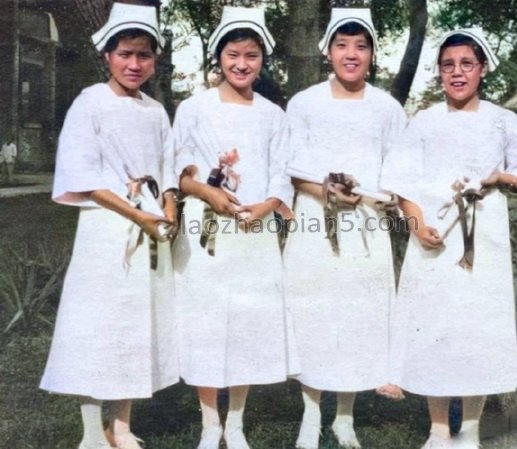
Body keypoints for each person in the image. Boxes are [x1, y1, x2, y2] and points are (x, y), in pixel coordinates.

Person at [380, 28, 517, 449]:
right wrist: (417, 224)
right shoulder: (423, 122)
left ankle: (469, 428)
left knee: (477, 327)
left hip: (482, 237)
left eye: (466, 64)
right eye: (448, 65)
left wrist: (500, 177)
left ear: (482, 69)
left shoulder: (502, 121)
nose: (457, 73)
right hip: (434, 238)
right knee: (434, 325)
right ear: (439, 73)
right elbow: (402, 181)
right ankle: (438, 428)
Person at [39, 4, 179, 449]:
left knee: (136, 325)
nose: (134, 64)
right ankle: (89, 430)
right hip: (108, 226)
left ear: (154, 58)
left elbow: (168, 166)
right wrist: (136, 213)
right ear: (107, 55)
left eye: (143, 55)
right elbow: (84, 175)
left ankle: (121, 423)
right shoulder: (90, 103)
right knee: (98, 322)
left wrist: (169, 208)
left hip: (151, 227)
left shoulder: (156, 111)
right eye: (125, 54)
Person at [171, 7, 296, 449]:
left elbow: (283, 173)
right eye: (232, 55)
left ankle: (236, 422)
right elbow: (178, 173)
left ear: (262, 60)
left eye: (251, 55)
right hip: (207, 230)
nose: (242, 64)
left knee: (246, 321)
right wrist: (208, 193)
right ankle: (209, 423)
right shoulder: (193, 108)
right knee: (206, 321)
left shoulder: (272, 115)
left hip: (253, 230)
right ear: (218, 58)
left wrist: (265, 206)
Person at [284, 8, 408, 449]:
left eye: (361, 46)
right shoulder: (304, 103)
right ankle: (310, 413)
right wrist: (324, 191)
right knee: (315, 312)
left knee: (358, 316)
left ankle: (344, 416)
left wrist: (373, 197)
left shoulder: (387, 108)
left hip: (366, 227)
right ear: (328, 51)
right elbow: (290, 172)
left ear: (372, 54)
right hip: (315, 223)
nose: (351, 54)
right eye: (342, 45)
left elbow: (398, 172)